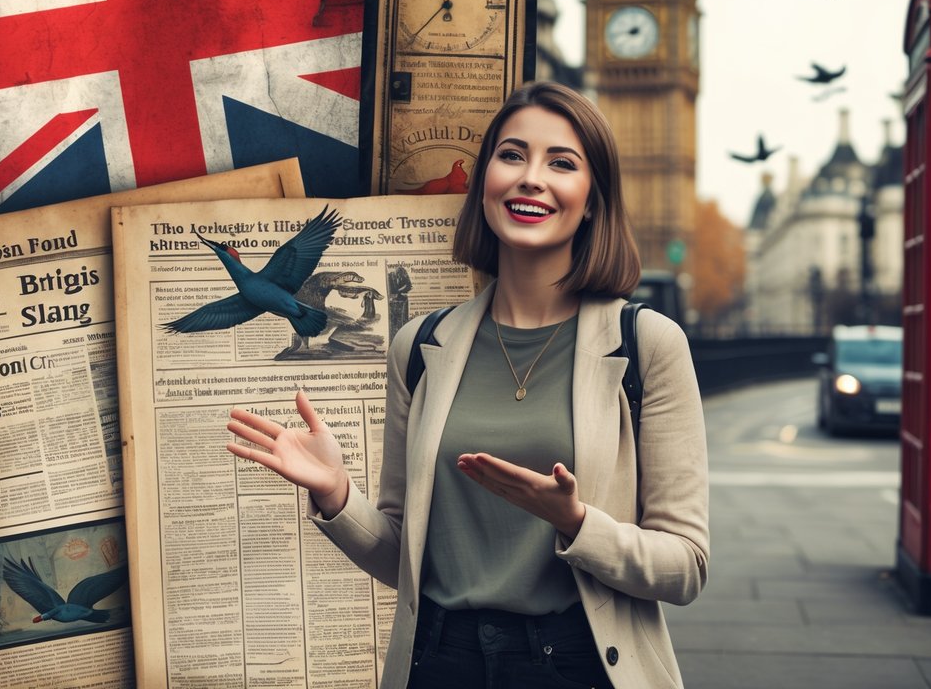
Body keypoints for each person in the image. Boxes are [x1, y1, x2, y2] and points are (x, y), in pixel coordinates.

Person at [226, 81, 709, 688]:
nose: (531, 177)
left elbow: (686, 566)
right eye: (512, 156)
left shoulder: (648, 344)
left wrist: (577, 523)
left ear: (592, 201)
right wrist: (337, 495)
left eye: (561, 163)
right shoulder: (421, 349)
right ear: (484, 187)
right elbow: (401, 555)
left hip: (576, 663)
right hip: (438, 660)